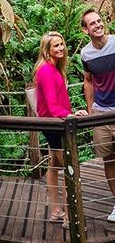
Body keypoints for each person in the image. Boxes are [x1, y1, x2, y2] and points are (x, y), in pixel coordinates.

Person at [34, 31, 84, 224]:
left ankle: (56, 211)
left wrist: (70, 113)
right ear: (47, 50)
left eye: (62, 44)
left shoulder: (55, 68)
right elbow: (52, 104)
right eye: (56, 45)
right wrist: (68, 115)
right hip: (54, 124)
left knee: (54, 167)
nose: (61, 48)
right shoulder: (46, 70)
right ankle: (71, 219)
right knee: (69, 168)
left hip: (56, 123)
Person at [80, 8, 115, 220]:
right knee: (109, 161)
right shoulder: (86, 53)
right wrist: (91, 108)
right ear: (86, 30)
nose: (98, 25)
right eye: (92, 23)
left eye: (99, 21)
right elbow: (88, 79)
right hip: (101, 114)